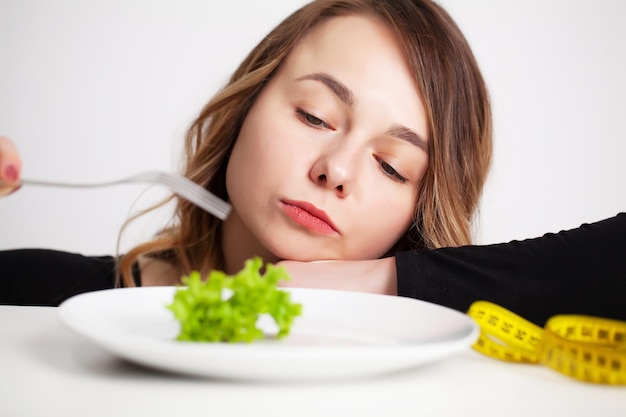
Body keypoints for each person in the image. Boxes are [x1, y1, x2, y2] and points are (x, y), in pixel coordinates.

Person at [1, 0, 624, 327]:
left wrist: (378, 287)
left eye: (392, 165)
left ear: (421, 206)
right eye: (315, 117)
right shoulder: (42, 302)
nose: (337, 170)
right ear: (245, 106)